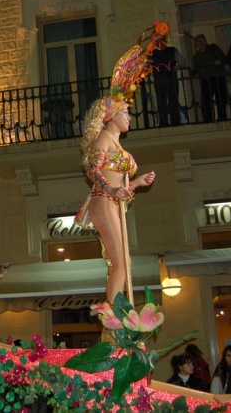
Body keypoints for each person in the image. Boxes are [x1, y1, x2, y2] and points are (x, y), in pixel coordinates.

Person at [76, 26, 165, 306]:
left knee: (123, 260)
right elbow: (93, 169)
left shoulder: (117, 145)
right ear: (112, 116)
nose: (129, 117)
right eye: (125, 112)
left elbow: (117, 179)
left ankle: (118, 311)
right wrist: (112, 192)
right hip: (103, 201)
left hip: (112, 200)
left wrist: (136, 184)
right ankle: (116, 316)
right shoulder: (103, 138)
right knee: (119, 261)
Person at [190, 34, 228, 123]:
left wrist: (220, 62)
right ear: (196, 44)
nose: (200, 42)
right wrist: (192, 68)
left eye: (201, 40)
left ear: (206, 41)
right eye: (198, 41)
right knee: (205, 100)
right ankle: (208, 119)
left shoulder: (213, 48)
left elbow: (224, 58)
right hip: (206, 80)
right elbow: (194, 72)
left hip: (218, 76)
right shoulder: (196, 57)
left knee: (221, 98)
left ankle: (222, 117)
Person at [149, 41, 185, 127]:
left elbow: (182, 62)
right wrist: (149, 70)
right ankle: (163, 122)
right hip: (159, 78)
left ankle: (175, 121)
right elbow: (146, 65)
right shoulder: (152, 53)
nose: (160, 44)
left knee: (173, 99)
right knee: (161, 101)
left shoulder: (172, 50)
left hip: (171, 77)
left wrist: (178, 67)